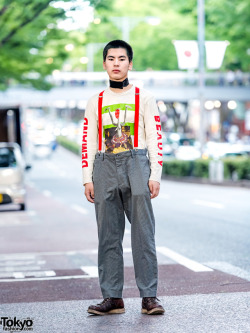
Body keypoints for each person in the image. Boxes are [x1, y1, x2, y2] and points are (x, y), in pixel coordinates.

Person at [82, 40, 165, 316]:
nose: (116, 63)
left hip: (136, 163)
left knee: (143, 233)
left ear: (130, 63)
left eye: (121, 59)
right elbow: (88, 141)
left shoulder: (144, 97)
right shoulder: (96, 101)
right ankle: (112, 297)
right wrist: (87, 178)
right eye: (110, 59)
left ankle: (149, 297)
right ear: (104, 64)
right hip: (104, 166)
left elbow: (154, 137)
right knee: (107, 234)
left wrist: (155, 174)